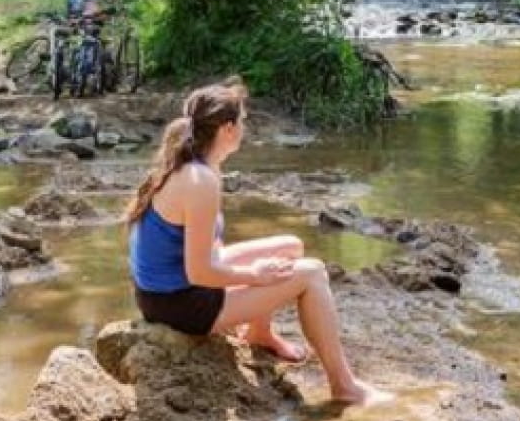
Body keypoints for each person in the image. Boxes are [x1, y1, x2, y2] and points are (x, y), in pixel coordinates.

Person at [125, 82, 392, 407]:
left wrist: (251, 274)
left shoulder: (199, 164)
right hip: (176, 303)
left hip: (167, 287)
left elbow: (207, 245)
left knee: (290, 247)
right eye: (243, 121)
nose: (245, 128)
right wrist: (254, 275)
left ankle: (259, 334)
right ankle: (345, 386)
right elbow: (198, 272)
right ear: (227, 128)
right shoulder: (199, 180)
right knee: (311, 274)